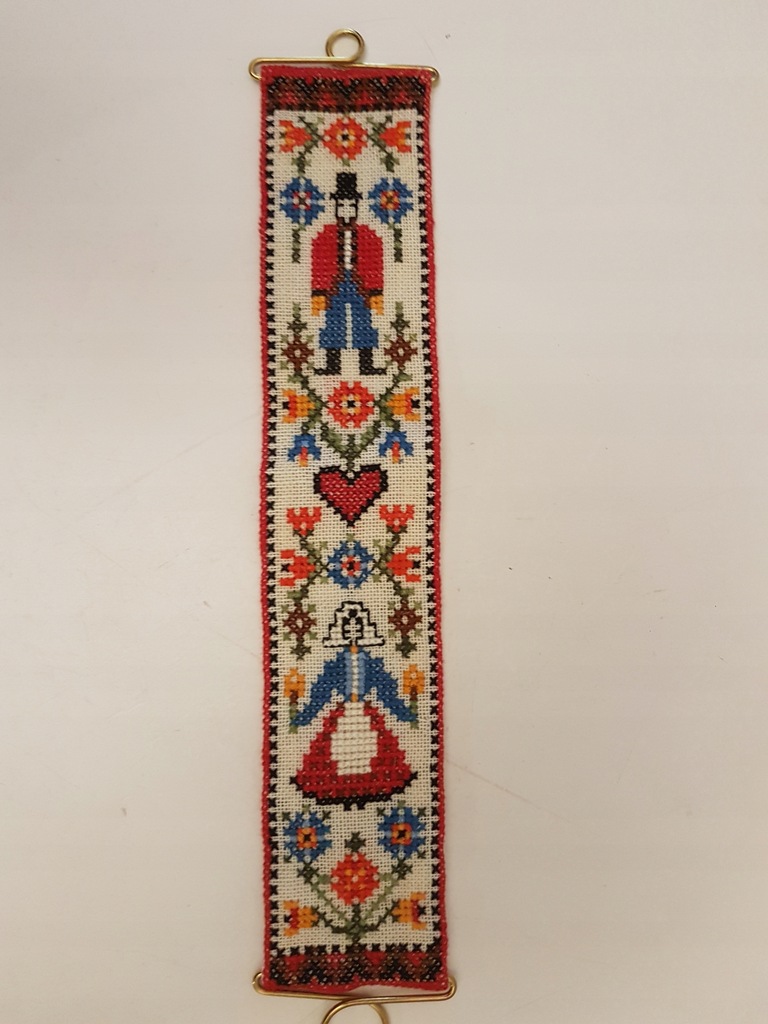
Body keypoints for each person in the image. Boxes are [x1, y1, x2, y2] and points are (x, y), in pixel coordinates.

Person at [291, 602, 416, 808]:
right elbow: (321, 691)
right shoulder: (336, 664)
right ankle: (338, 788)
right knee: (338, 748)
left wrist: (404, 713)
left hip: (365, 713)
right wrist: (304, 717)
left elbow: (385, 688)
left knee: (371, 747)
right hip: (344, 713)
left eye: (357, 627)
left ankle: (373, 786)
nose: (352, 632)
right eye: (347, 628)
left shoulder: (371, 663)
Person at [311, 173, 386, 376]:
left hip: (360, 287)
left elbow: (374, 262)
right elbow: (318, 262)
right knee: (333, 322)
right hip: (334, 287)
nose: (346, 210)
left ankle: (366, 364)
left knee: (363, 322)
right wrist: (318, 291)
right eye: (342, 206)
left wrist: (375, 291)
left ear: (357, 208)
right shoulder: (326, 235)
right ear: (336, 208)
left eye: (351, 206)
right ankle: (332, 364)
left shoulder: (367, 234)